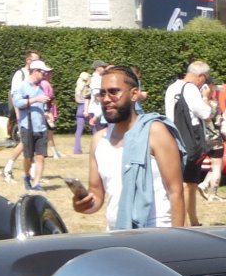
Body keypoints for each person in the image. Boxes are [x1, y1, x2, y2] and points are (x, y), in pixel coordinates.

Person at [72, 64, 185, 230]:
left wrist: (177, 238)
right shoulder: (99, 140)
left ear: (134, 94)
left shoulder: (155, 132)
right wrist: (81, 204)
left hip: (157, 232)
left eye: (114, 92)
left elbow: (176, 192)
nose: (106, 99)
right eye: (102, 93)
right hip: (117, 232)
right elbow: (96, 196)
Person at [164, 60, 214, 227]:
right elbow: (206, 113)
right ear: (200, 76)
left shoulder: (172, 88)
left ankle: (193, 220)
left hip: (174, 138)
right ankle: (183, 222)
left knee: (188, 183)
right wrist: (206, 98)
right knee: (188, 183)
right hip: (190, 141)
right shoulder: (191, 89)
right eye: (205, 79)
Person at [2, 50, 41, 182]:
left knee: (32, 143)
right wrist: (18, 114)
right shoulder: (20, 74)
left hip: (33, 115)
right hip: (23, 114)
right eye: (35, 60)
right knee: (25, 143)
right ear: (28, 60)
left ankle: (34, 174)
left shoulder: (35, 75)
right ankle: (8, 168)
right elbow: (14, 95)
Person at [13, 59, 52, 191]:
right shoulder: (22, 86)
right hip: (27, 126)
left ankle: (36, 183)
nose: (45, 75)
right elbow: (18, 103)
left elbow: (44, 106)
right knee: (28, 157)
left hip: (41, 127)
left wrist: (47, 114)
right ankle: (26, 175)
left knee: (40, 157)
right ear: (35, 71)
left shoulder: (41, 88)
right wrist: (35, 99)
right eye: (43, 72)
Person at [73, 66, 92, 155]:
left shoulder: (77, 89)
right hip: (86, 108)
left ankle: (77, 150)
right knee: (95, 128)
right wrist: (86, 110)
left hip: (79, 109)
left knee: (78, 131)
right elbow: (88, 99)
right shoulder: (88, 88)